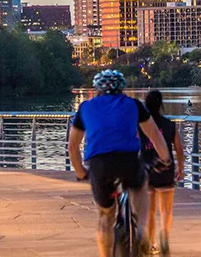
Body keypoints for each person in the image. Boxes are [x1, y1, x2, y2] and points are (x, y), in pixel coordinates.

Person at [69, 70, 171, 257]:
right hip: (128, 161)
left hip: (99, 165)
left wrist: (81, 172)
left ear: (97, 89)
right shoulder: (133, 105)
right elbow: (155, 135)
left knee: (105, 216)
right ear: (122, 88)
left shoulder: (85, 108)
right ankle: (140, 231)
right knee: (140, 188)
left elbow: (73, 147)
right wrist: (165, 159)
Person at [140, 90, 186, 254]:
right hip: (166, 171)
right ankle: (164, 237)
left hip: (146, 171)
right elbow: (179, 149)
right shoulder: (170, 125)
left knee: (150, 211)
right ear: (161, 105)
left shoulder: (140, 125)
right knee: (166, 210)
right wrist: (180, 167)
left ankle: (152, 244)